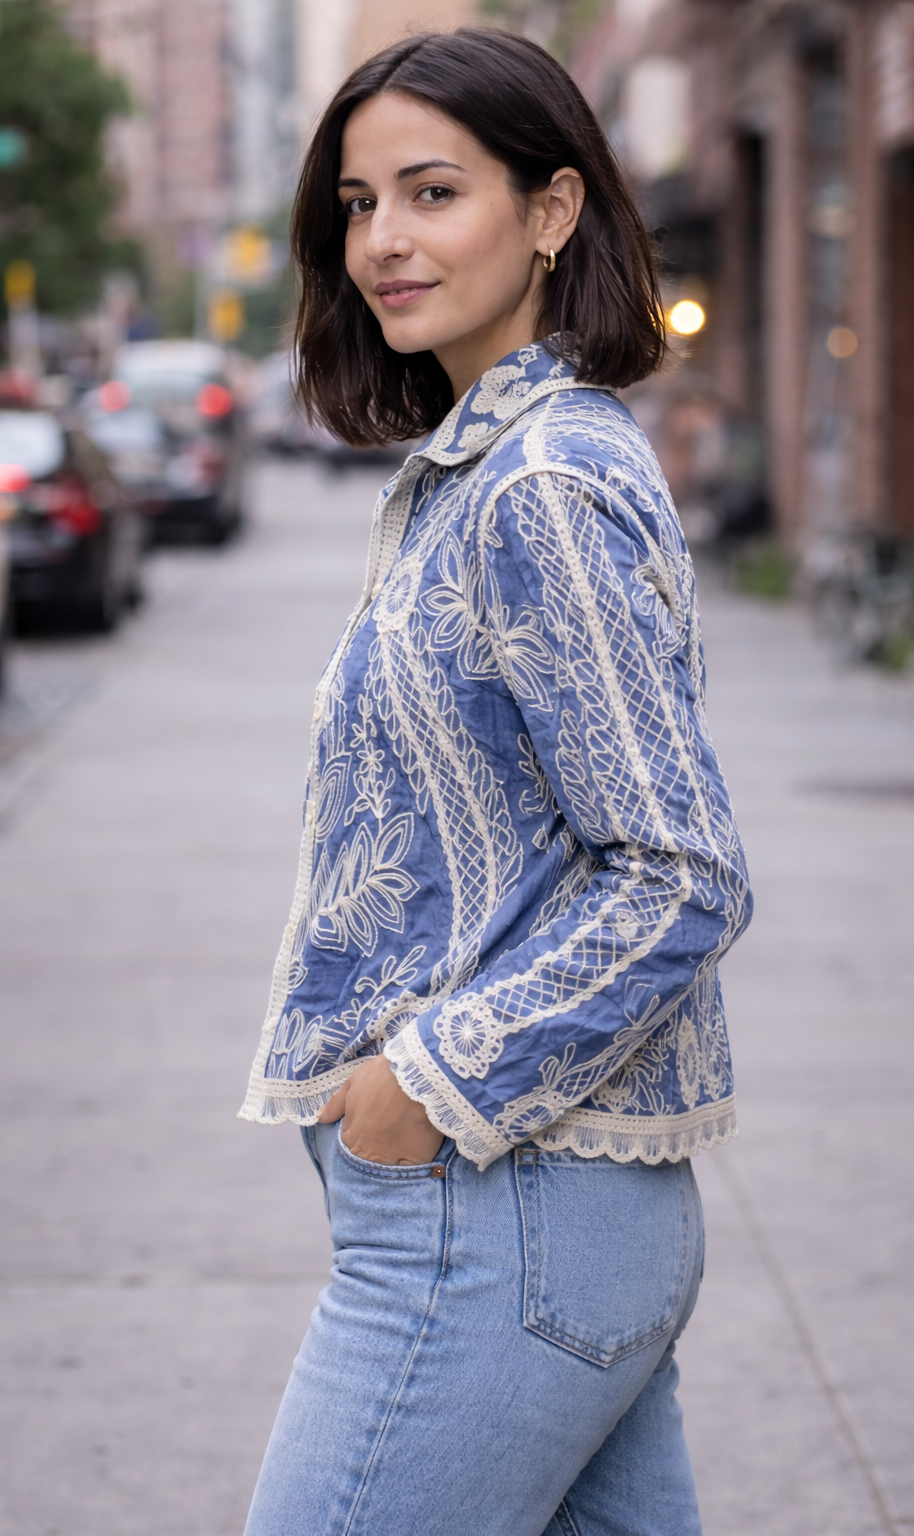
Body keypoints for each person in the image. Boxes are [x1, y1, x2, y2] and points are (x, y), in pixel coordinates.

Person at [240, 27, 752, 1536]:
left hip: (500, 1204)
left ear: (551, 212)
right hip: (549, 1215)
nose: (384, 239)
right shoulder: (503, 466)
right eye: (356, 203)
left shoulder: (540, 487)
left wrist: (425, 1083)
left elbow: (682, 870)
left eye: (432, 191)